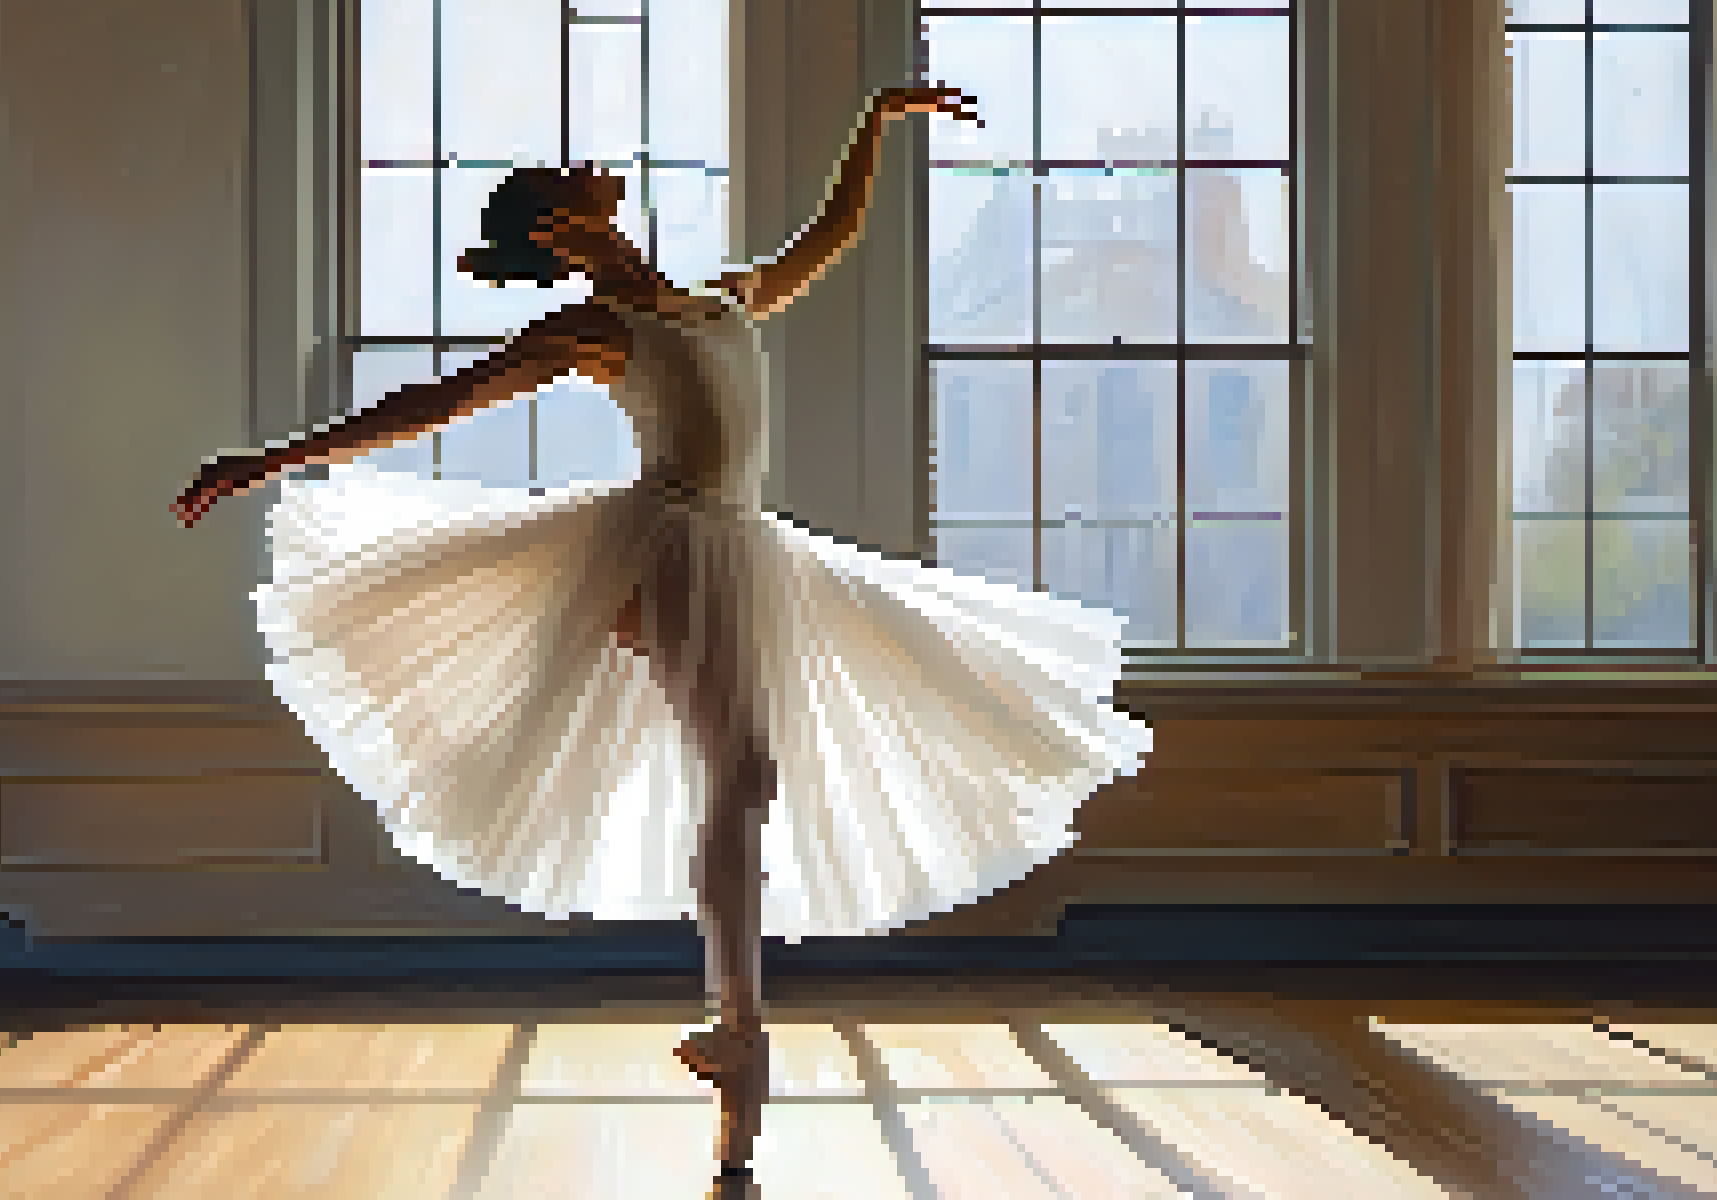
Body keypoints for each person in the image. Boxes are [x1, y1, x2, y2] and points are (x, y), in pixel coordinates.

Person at [174, 83, 1151, 1195]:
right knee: (742, 776)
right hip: (678, 547)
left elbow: (832, 237)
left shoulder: (722, 297)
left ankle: (735, 1040)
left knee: (743, 778)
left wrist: (874, 118)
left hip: (744, 543)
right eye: (569, 177)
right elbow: (437, 406)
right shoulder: (595, 331)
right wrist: (265, 462)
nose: (595, 167)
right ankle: (740, 1031)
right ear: (559, 229)